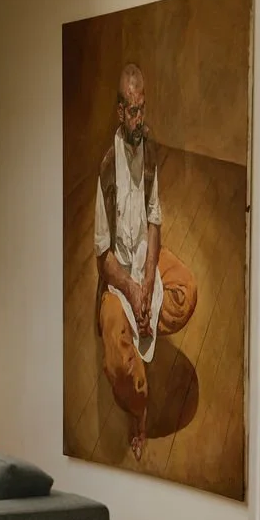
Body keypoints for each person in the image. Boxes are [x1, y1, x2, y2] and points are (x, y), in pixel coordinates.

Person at [94, 63, 197, 460]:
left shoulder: (150, 153)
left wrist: (151, 277)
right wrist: (133, 289)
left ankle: (146, 326)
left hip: (144, 265)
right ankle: (138, 413)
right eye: (133, 111)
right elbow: (103, 259)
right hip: (119, 274)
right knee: (119, 363)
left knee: (187, 290)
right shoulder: (107, 169)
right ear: (120, 112)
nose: (140, 119)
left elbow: (155, 219)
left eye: (143, 109)